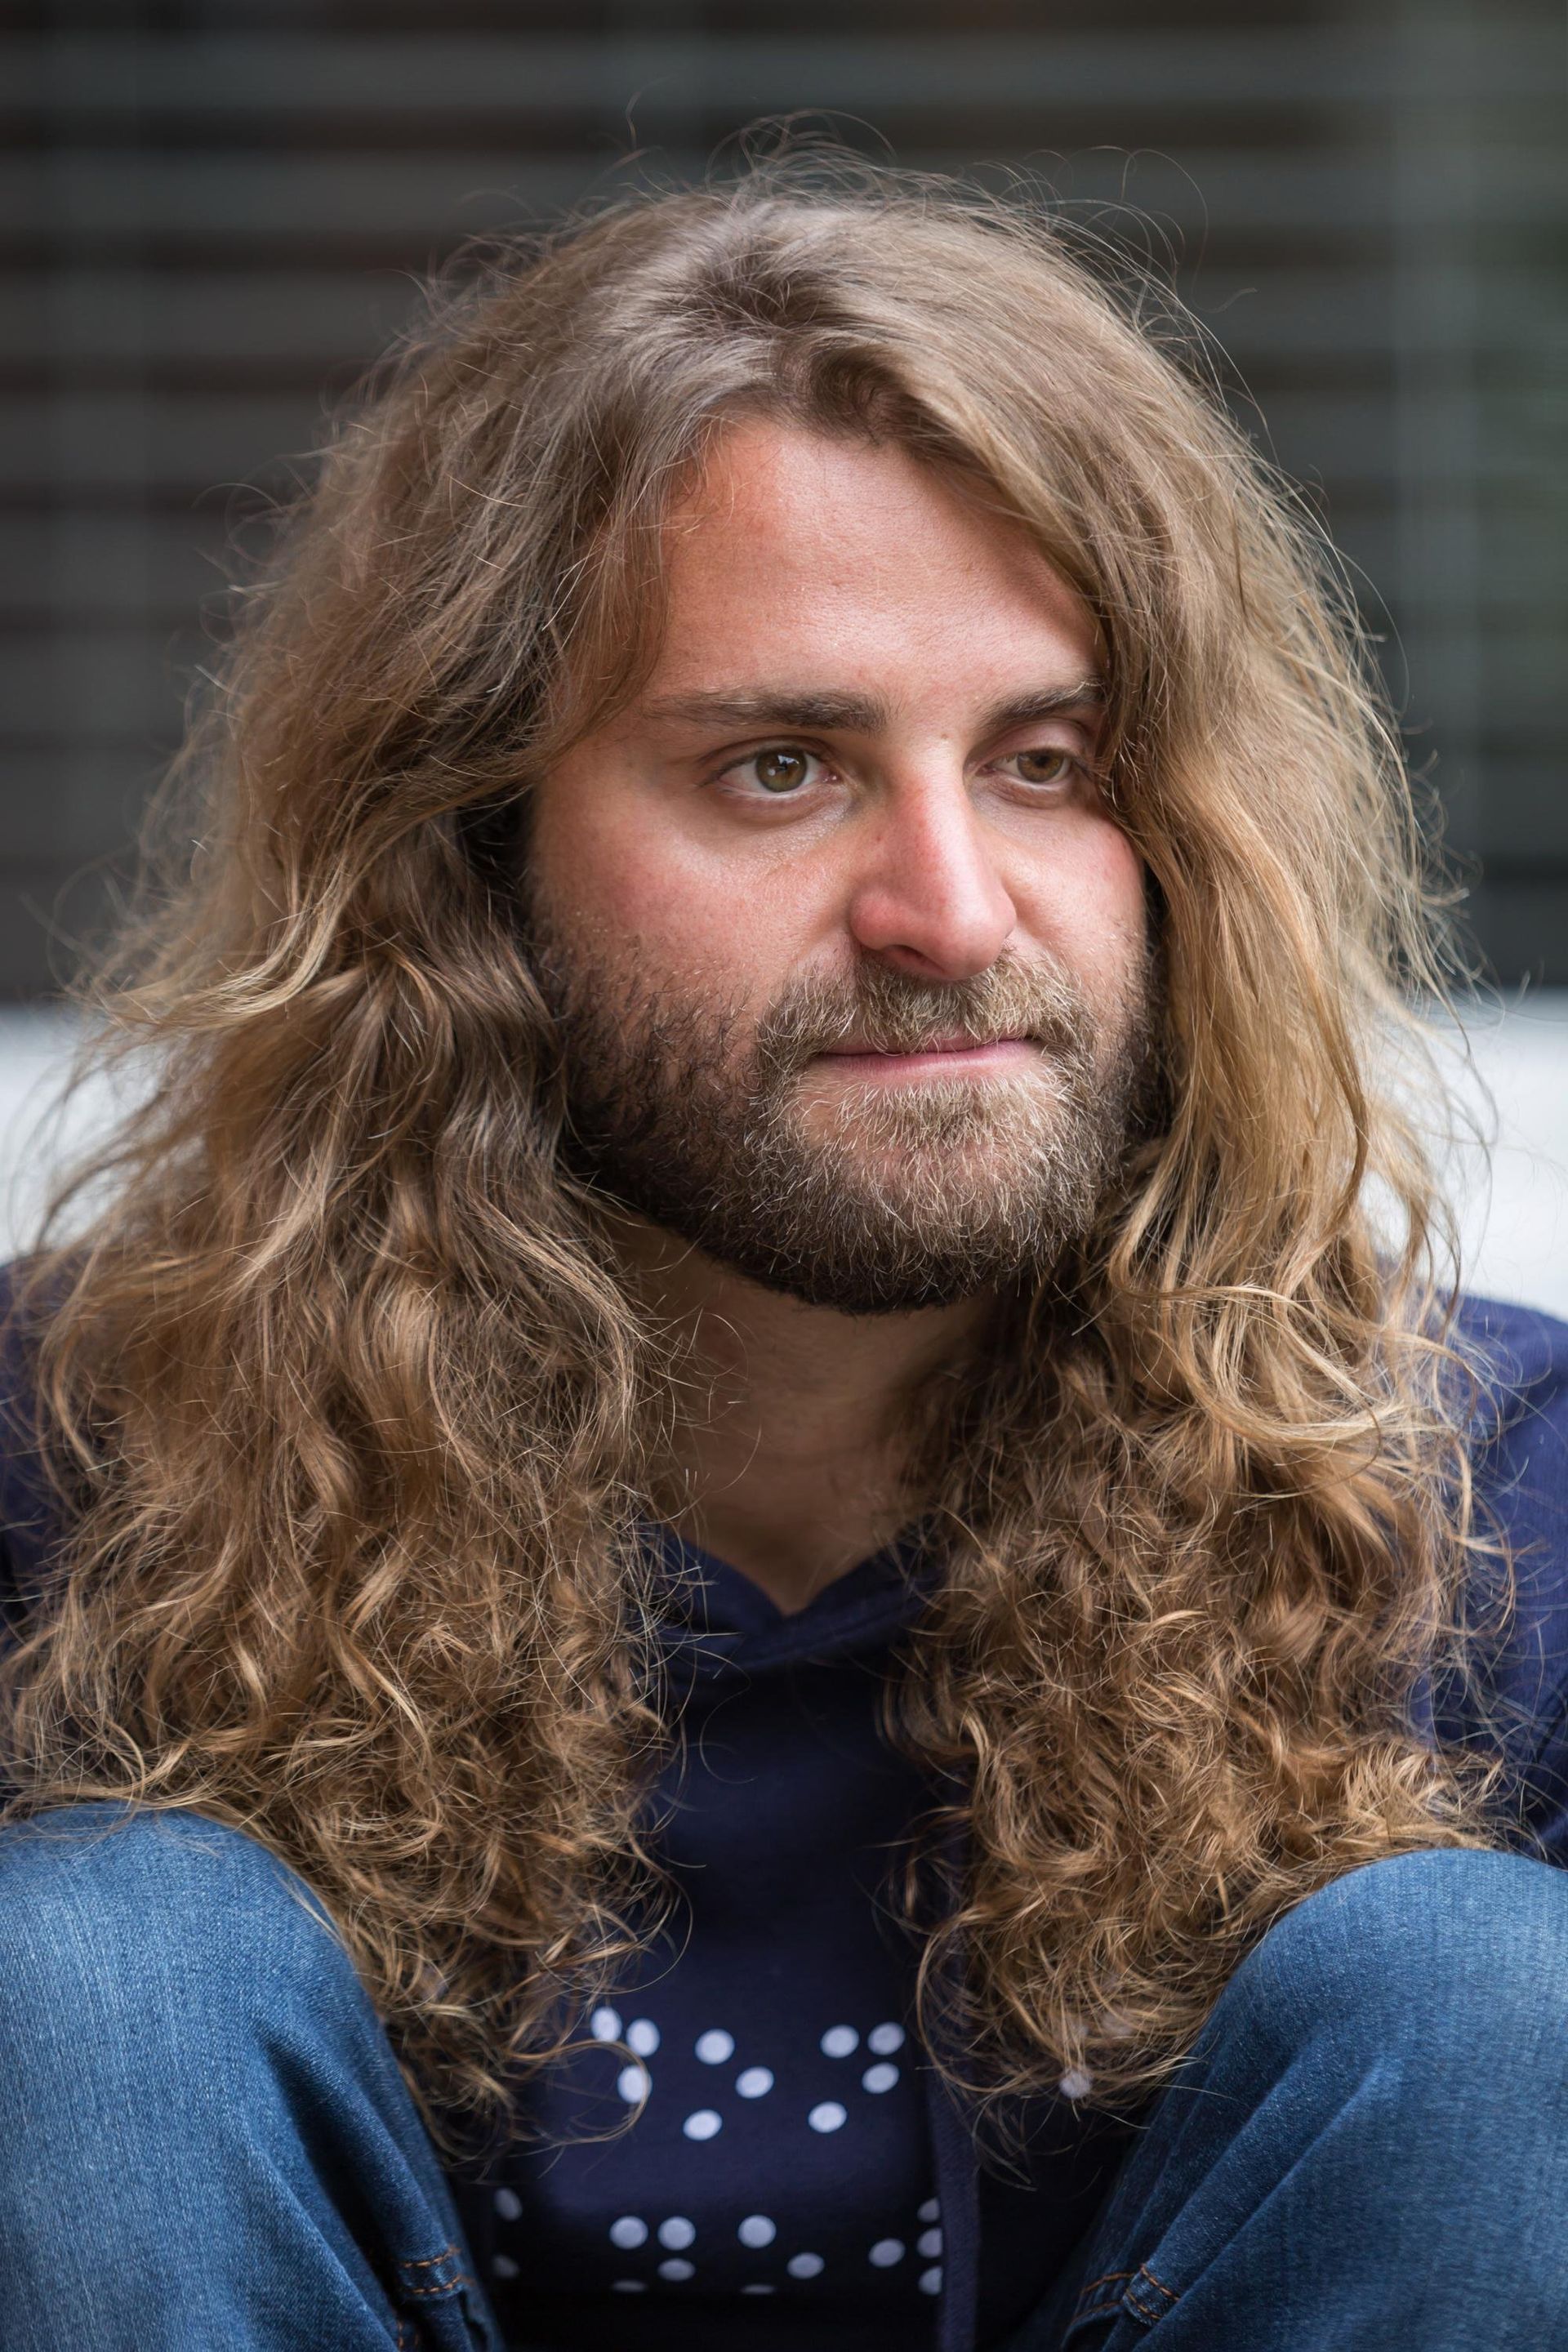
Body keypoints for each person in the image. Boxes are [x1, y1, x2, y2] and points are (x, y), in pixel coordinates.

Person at [0, 155, 1565, 2352]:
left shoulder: (1497, 1511)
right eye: (778, 770)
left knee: (1492, 2003)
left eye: (1046, 765)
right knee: (95, 1974)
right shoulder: (81, 1475)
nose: (949, 909)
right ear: (469, 858)